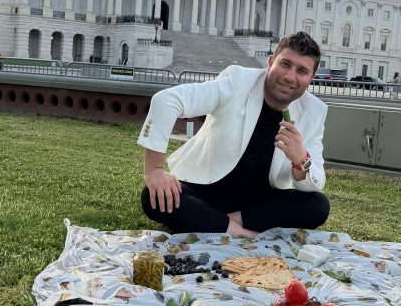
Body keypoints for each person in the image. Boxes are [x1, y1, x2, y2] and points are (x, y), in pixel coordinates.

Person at [138, 32, 330, 236]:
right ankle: (243, 233)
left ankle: (221, 223)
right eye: (285, 64)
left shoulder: (315, 111)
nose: (290, 77)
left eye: (301, 71)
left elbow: (315, 182)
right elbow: (166, 100)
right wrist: (154, 170)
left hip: (258, 203)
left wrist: (300, 160)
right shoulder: (236, 81)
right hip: (208, 189)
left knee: (318, 205)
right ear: (271, 62)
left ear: (311, 78)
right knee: (153, 195)